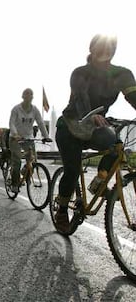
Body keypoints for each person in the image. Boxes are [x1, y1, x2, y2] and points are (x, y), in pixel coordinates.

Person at [54, 34, 136, 232]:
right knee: (72, 171)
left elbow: (133, 96)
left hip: (95, 126)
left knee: (116, 146)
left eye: (110, 46)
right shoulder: (80, 73)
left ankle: (98, 184)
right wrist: (90, 116)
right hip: (70, 126)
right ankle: (62, 209)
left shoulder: (122, 74)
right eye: (101, 46)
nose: (106, 50)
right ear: (92, 49)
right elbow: (81, 98)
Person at [8, 88, 52, 193]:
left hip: (28, 137)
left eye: (31, 94)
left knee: (33, 160)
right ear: (22, 96)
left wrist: (46, 136)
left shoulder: (35, 109)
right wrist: (15, 134)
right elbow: (12, 123)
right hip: (15, 138)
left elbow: (41, 123)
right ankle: (14, 184)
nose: (29, 96)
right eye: (26, 94)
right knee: (17, 160)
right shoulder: (16, 109)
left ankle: (24, 172)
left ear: (32, 97)